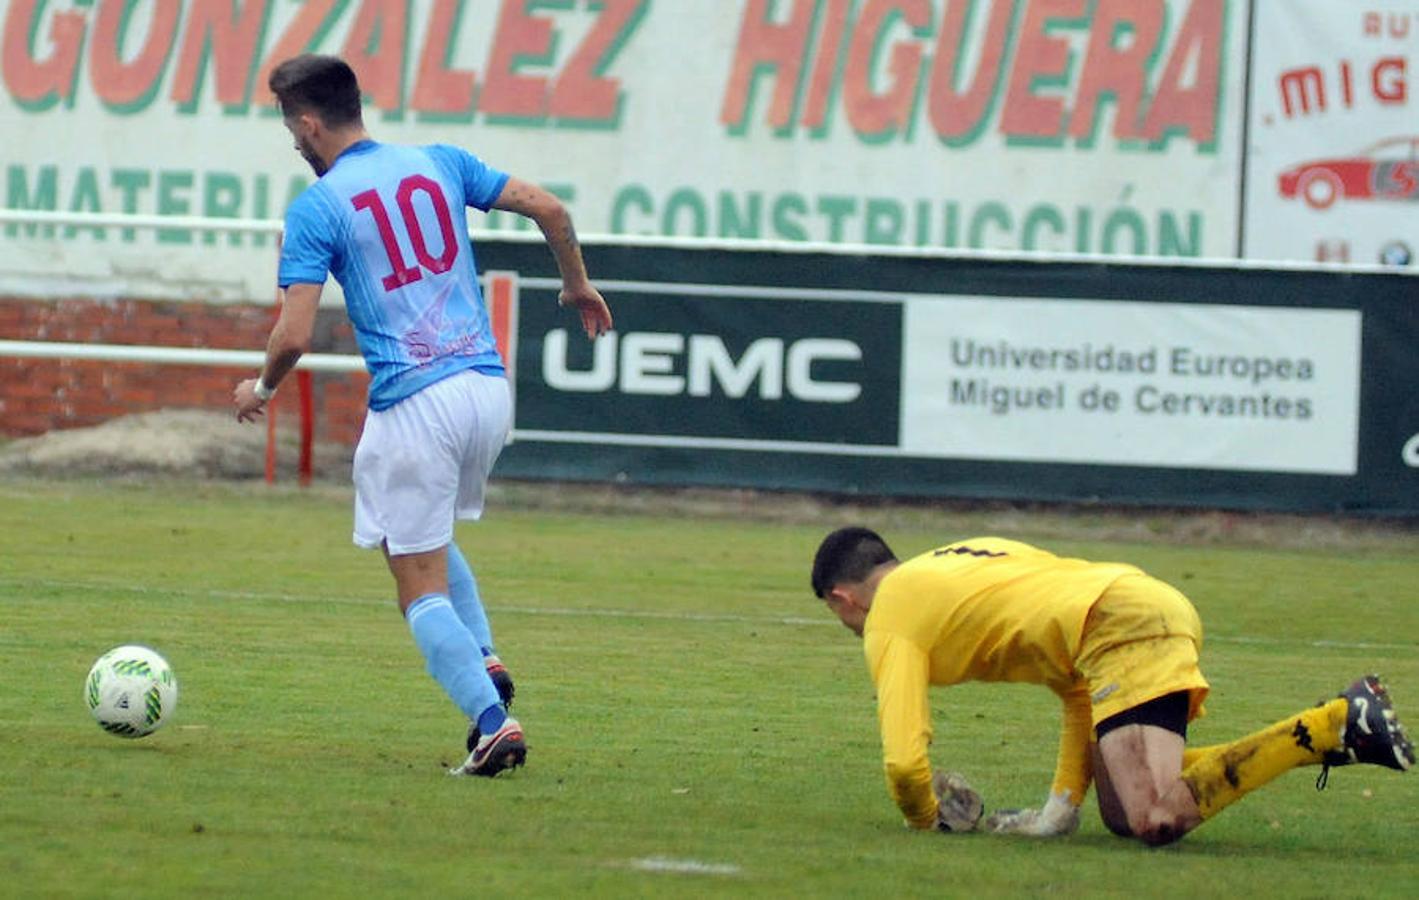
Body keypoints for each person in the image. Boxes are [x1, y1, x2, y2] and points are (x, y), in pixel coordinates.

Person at [233, 54, 612, 777]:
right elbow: (549, 208)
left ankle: (492, 722)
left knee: (416, 581)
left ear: (309, 123)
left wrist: (262, 388)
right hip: (485, 390)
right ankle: (483, 658)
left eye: (291, 127)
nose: (293, 141)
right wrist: (576, 286)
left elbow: (294, 335)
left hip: (416, 402)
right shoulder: (438, 161)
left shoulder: (318, 206)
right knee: (405, 532)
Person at [810, 527, 1414, 844]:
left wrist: (925, 818)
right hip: (1132, 608)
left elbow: (904, 761)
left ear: (842, 597)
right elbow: (1079, 688)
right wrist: (1060, 808)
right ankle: (1337, 727)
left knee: (1154, 815)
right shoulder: (955, 565)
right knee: (1124, 815)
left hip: (1120, 624)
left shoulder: (889, 614)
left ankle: (1332, 724)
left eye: (838, 614)